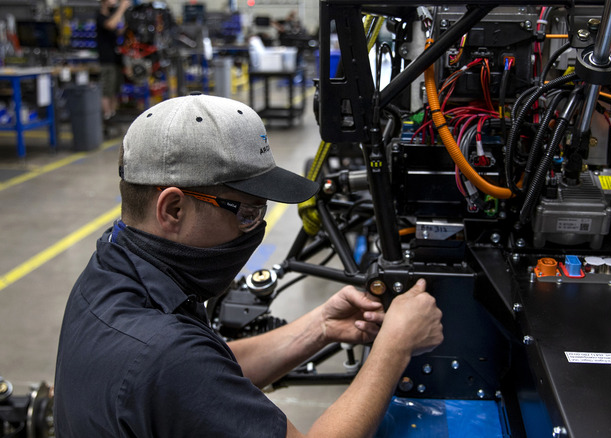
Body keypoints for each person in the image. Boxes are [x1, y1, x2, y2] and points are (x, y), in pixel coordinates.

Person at [53, 94, 444, 437]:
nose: (255, 230)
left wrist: (320, 326)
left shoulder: (109, 267)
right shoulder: (165, 354)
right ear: (172, 209)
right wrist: (395, 346)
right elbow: (181, 368)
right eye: (247, 213)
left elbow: (207, 373)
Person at [97, 0, 131, 120]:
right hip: (107, 61)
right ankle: (107, 116)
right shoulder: (100, 16)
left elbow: (117, 30)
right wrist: (122, 8)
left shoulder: (111, 16)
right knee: (107, 90)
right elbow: (111, 25)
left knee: (114, 90)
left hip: (116, 60)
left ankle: (112, 114)